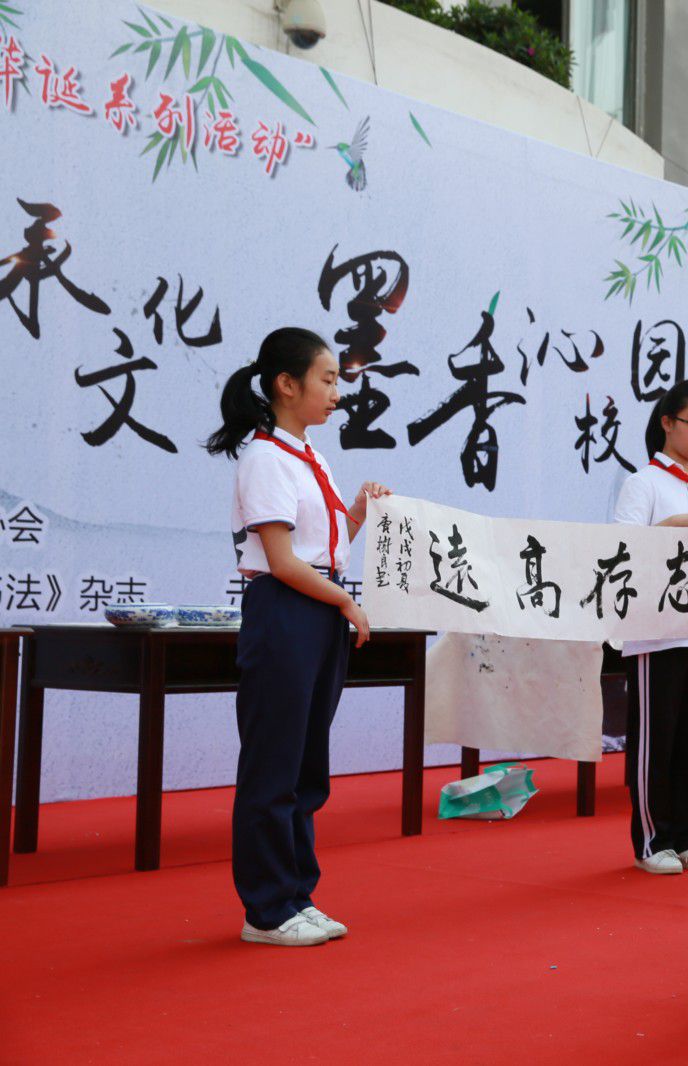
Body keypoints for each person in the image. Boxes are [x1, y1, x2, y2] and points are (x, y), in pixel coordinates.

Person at [204, 327, 389, 947]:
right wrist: (348, 603)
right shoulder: (263, 457)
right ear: (288, 385)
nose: (338, 391)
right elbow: (283, 561)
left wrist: (360, 511)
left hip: (316, 611)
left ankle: (296, 895)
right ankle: (266, 908)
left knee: (308, 764)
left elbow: (326, 549)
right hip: (286, 609)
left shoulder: (313, 458)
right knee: (274, 763)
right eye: (327, 379)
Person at [612, 379, 688, 875]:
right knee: (654, 739)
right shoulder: (644, 483)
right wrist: (679, 522)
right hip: (655, 632)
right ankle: (650, 840)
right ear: (667, 423)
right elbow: (622, 548)